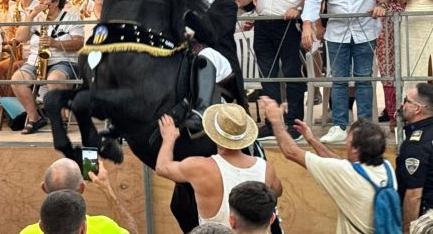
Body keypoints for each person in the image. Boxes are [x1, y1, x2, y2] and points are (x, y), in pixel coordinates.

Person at [301, 0, 393, 144]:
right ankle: (339, 125)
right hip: (337, 31)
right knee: (338, 79)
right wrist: (307, 23)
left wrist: (381, 3)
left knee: (364, 78)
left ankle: (365, 127)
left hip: (366, 29)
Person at [262, 96, 397, 234]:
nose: (346, 144)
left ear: (356, 149)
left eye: (348, 142)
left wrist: (276, 121)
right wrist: (312, 140)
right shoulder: (386, 169)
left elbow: (291, 152)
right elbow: (342, 164)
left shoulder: (346, 173)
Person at [236, 0, 313, 141]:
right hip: (263, 23)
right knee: (266, 75)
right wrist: (234, 8)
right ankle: (273, 122)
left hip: (287, 23)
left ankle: (294, 123)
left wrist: (299, 10)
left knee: (291, 73)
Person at [156, 104, 282, 228]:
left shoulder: (199, 167)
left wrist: (169, 138)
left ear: (213, 134)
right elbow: (277, 191)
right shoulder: (265, 168)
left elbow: (162, 167)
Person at [11, 0, 83, 134]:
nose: (40, 2)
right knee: (17, 79)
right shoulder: (38, 17)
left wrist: (55, 43)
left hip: (63, 60)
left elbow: (78, 43)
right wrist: (31, 16)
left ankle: (60, 119)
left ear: (55, 2)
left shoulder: (71, 17)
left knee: (54, 79)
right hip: (36, 60)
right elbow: (20, 38)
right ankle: (34, 117)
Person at [19, 157, 136, 234]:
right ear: (83, 229)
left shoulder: (27, 232)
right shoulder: (104, 226)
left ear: (41, 227)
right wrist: (106, 189)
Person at [194, 0, 247, 110]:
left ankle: (202, 109)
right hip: (195, 57)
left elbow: (212, 35)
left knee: (207, 53)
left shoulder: (228, 6)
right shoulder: (195, 2)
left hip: (222, 62)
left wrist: (189, 17)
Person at [376, 0, 409, 129]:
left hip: (408, 21)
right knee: (387, 69)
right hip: (384, 23)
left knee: (409, 67)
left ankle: (412, 115)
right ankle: (393, 116)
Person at [396, 83, 433, 233]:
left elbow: (413, 196)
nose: (402, 104)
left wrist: (407, 230)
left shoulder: (415, 146)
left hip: (426, 219)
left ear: (417, 109)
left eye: (406, 101)